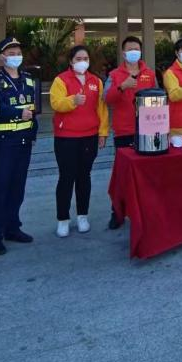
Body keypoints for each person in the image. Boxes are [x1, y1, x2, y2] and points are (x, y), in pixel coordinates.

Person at [0, 36, 39, 256]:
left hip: (24, 141)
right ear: (3, 57)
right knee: (0, 188)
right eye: (11, 53)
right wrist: (17, 113)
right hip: (3, 143)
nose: (16, 57)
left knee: (18, 187)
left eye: (18, 53)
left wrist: (32, 131)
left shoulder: (28, 79)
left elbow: (34, 107)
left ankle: (12, 227)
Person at [49, 45, 108, 238]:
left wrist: (102, 132)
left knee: (84, 177)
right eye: (78, 59)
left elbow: (101, 109)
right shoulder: (61, 80)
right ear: (71, 61)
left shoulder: (96, 81)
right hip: (66, 137)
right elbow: (55, 103)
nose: (82, 62)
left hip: (89, 136)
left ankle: (83, 216)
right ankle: (63, 219)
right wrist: (72, 101)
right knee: (66, 178)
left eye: (86, 59)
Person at [104, 36, 158, 229]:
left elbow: (158, 98)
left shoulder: (149, 74)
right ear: (123, 52)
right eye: (130, 49)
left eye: (136, 48)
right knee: (122, 175)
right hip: (124, 131)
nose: (133, 52)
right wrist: (122, 87)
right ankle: (117, 213)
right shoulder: (114, 74)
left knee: (147, 174)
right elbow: (106, 98)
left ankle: (145, 212)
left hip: (148, 131)